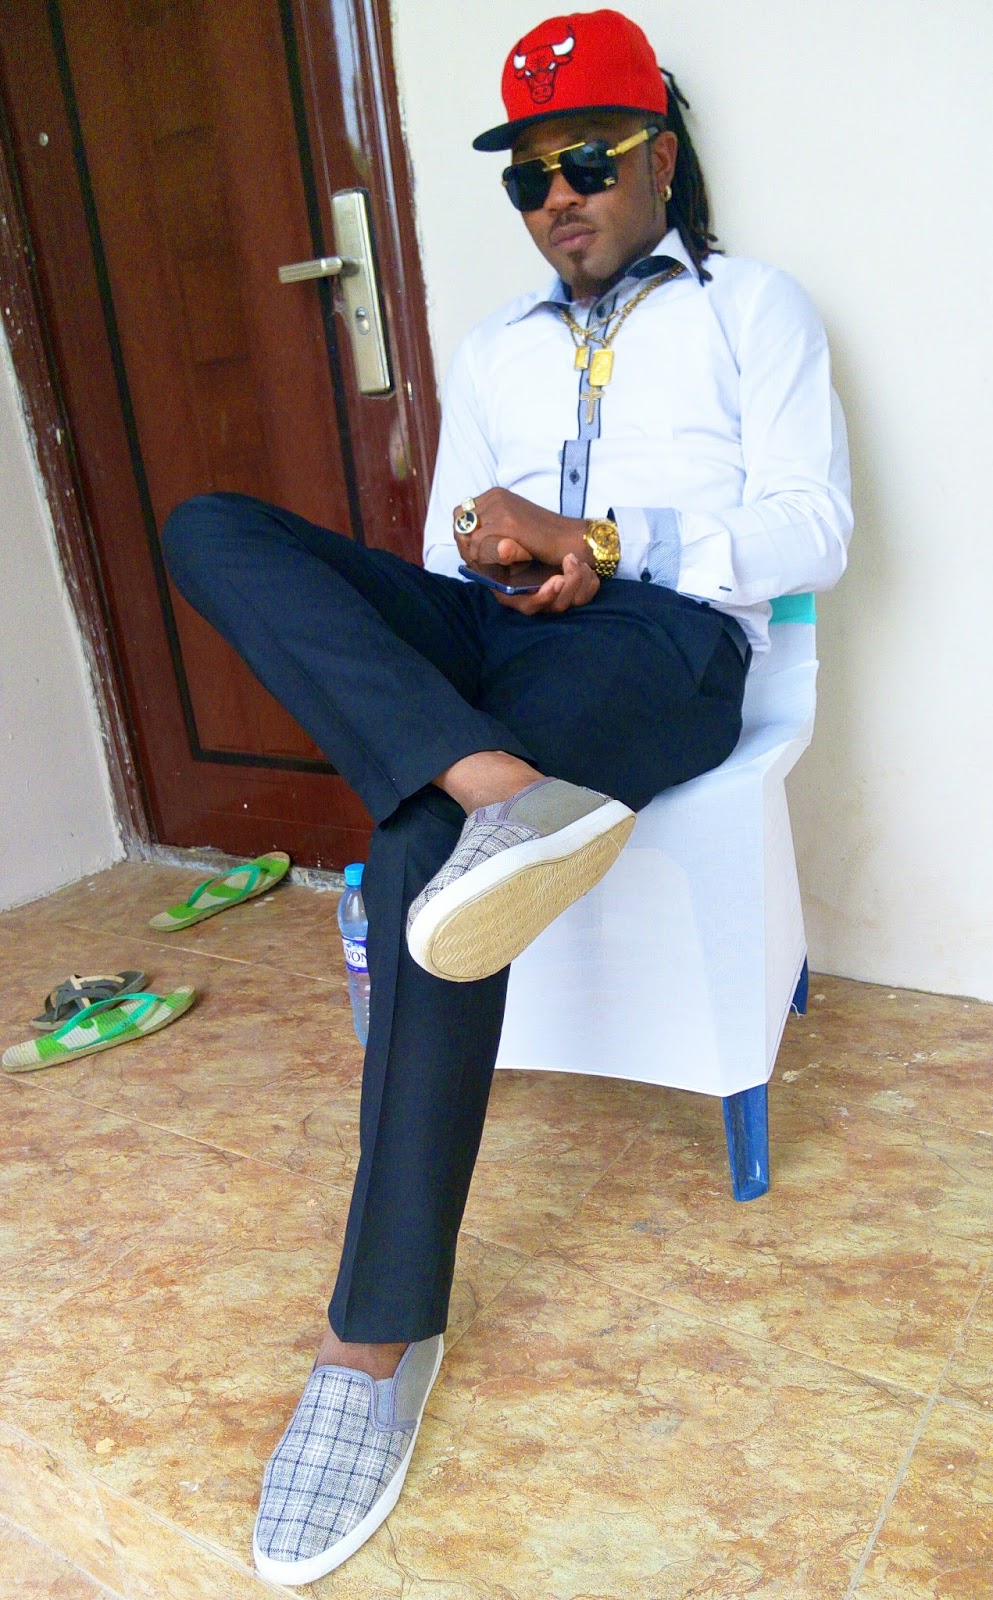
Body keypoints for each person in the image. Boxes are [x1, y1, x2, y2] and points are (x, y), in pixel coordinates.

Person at [162, 8, 852, 1584]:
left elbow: (813, 525)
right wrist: (487, 552)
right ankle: (496, 785)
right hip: (498, 638)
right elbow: (430, 564)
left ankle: (373, 1340)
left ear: (657, 157)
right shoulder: (491, 350)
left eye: (586, 161)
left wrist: (601, 543)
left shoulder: (753, 309)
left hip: (663, 641)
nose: (557, 197)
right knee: (210, 527)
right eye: (527, 175)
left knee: (416, 841)